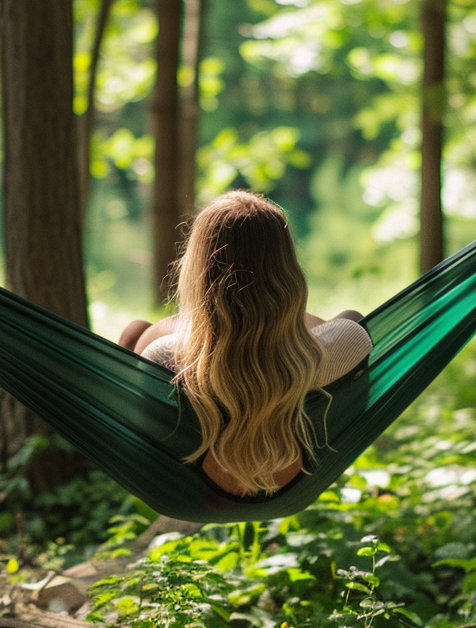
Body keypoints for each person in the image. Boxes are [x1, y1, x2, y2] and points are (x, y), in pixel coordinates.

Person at [119, 190, 372, 497]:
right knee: (350, 318)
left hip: (200, 482)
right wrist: (281, 316)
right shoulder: (350, 343)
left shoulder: (161, 353)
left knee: (138, 333)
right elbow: (336, 330)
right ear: (288, 273)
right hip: (296, 471)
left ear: (197, 271)